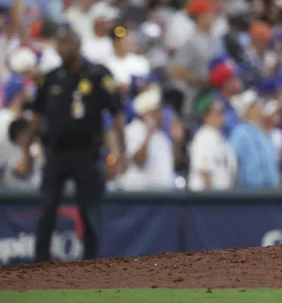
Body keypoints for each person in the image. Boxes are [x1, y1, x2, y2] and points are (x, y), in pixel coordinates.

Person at [25, 28, 127, 262]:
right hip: (56, 151)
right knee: (47, 208)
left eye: (66, 44)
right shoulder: (50, 78)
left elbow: (117, 114)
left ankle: (90, 265)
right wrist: (27, 150)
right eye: (59, 44)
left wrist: (121, 152)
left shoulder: (98, 75)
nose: (61, 49)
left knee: (89, 211)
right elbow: (37, 116)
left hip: (86, 152)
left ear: (77, 44)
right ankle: (40, 263)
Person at [117, 84, 176, 190]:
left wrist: (178, 142)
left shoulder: (160, 134)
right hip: (139, 198)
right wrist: (148, 135)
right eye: (157, 110)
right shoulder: (132, 130)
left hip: (162, 197)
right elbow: (138, 160)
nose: (161, 114)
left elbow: (170, 164)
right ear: (147, 112)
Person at [227, 90, 281, 188]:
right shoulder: (240, 133)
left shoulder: (263, 133)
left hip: (270, 193)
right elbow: (231, 166)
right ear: (248, 110)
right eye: (255, 105)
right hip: (251, 194)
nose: (259, 107)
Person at [188, 95, 237, 190]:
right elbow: (206, 173)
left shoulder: (221, 139)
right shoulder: (203, 137)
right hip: (206, 200)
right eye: (216, 113)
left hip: (222, 198)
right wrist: (210, 202)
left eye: (221, 112)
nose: (220, 116)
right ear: (205, 116)